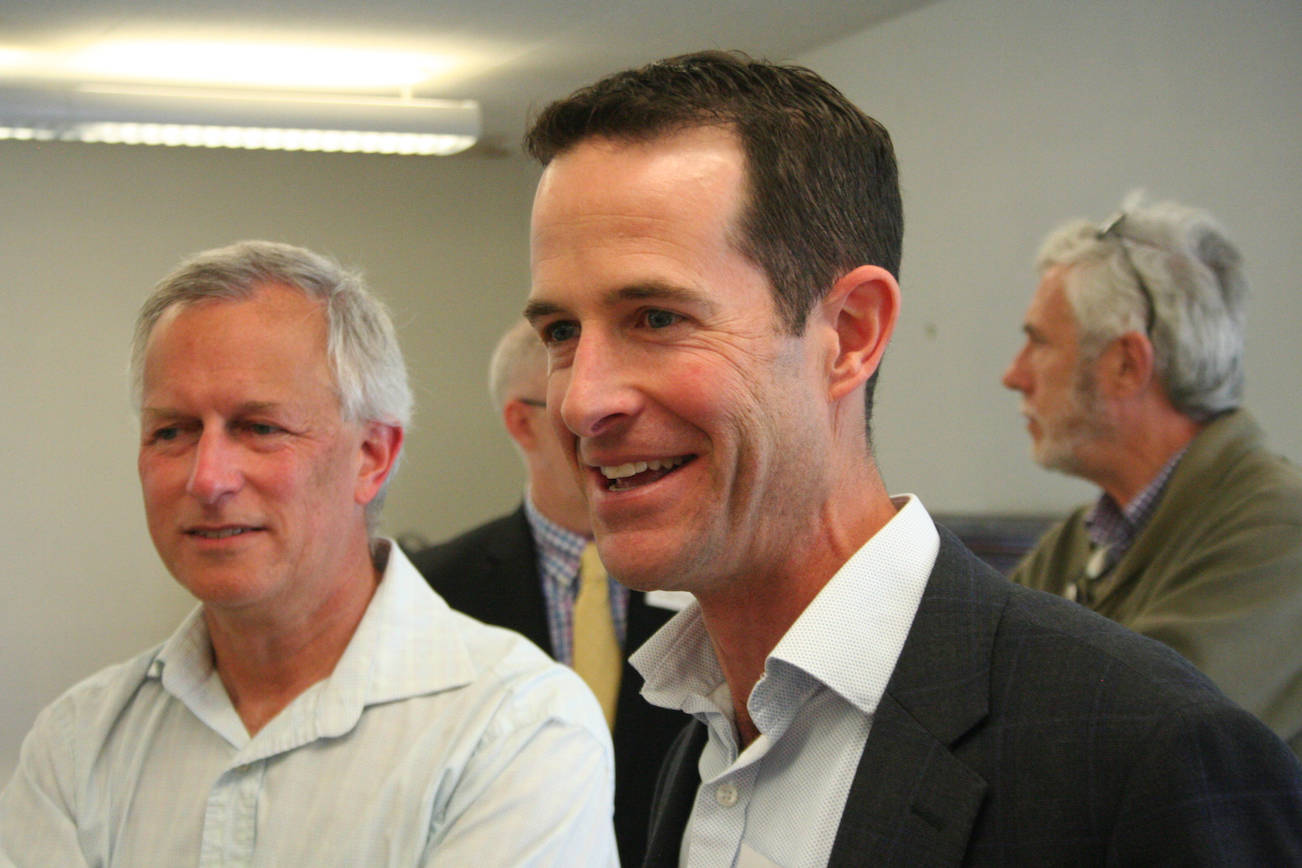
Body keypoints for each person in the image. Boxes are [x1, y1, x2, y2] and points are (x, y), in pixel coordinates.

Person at [521, 51, 1302, 866]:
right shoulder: (707, 726)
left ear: (850, 333)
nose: (580, 402)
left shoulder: (1151, 757)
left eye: (656, 318)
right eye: (561, 333)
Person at [0, 241, 617, 866]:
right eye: (172, 431)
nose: (207, 479)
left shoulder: (517, 727)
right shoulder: (77, 745)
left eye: (260, 428)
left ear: (371, 457)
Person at [1002, 193, 1302, 756]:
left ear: (1126, 365)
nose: (1013, 375)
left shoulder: (1282, 531)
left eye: (1038, 342)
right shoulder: (1079, 540)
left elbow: (1140, 744)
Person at [410, 319, 686, 864]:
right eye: (575, 405)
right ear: (522, 422)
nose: (613, 423)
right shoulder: (431, 592)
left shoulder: (703, 577)